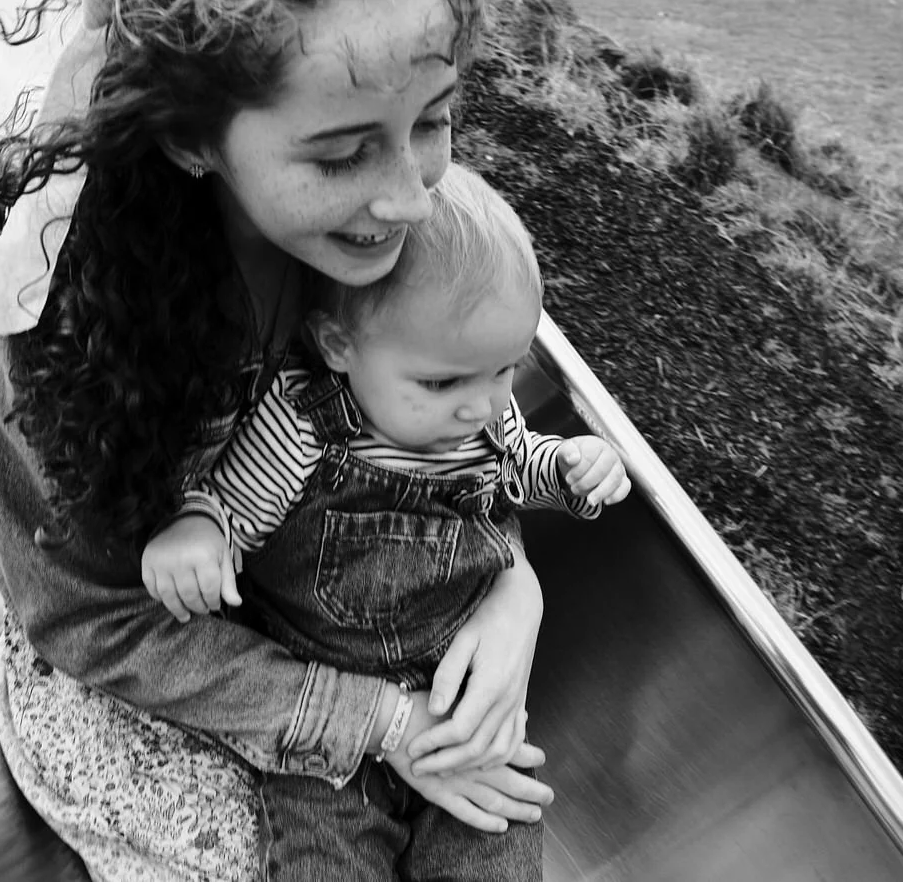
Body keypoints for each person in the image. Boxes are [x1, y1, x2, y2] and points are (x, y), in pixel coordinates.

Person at [0, 0, 560, 882]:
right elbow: (91, 616)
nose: (412, 196)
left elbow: (452, 422)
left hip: (347, 601)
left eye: (435, 121)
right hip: (155, 662)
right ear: (193, 139)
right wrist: (369, 718)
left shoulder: (377, 216)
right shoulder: (58, 320)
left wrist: (516, 590)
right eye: (341, 153)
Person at [140, 164, 631, 878]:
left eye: (505, 370)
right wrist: (199, 531)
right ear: (339, 345)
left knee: (496, 834)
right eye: (442, 382)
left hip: (465, 695)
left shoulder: (484, 416)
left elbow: (522, 467)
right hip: (331, 717)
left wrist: (572, 471)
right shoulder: (303, 424)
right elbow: (229, 507)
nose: (483, 404)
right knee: (324, 860)